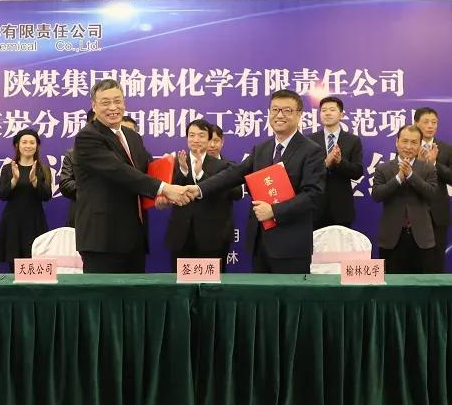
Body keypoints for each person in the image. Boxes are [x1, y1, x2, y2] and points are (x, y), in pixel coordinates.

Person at [191, 89, 325, 274]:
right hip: (260, 243)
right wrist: (198, 189)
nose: (280, 115)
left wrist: (274, 211)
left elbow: (313, 195)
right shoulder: (262, 148)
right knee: (261, 293)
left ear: (299, 114)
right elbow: (234, 173)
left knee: (289, 293)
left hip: (291, 246)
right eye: (275, 110)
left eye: (287, 110)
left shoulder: (312, 150)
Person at [74, 79, 192, 273]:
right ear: (93, 105)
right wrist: (164, 188)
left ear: (124, 102)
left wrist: (160, 196)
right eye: (105, 102)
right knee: (102, 293)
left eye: (117, 101)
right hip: (103, 239)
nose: (113, 107)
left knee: (134, 293)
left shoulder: (133, 137)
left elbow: (145, 172)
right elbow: (119, 171)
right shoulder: (87, 137)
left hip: (134, 237)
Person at [162, 119, 239, 268]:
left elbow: (224, 193)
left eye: (201, 135)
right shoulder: (174, 162)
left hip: (212, 238)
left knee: (209, 281)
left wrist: (200, 175)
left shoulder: (224, 166)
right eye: (192, 135)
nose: (196, 140)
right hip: (180, 237)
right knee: (181, 281)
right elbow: (169, 192)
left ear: (209, 139)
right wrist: (183, 171)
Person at [372, 125, 439, 273]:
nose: (409, 147)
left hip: (421, 238)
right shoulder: (383, 168)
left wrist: (410, 175)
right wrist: (398, 178)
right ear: (397, 142)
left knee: (422, 284)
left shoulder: (428, 168)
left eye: (414, 142)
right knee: (392, 283)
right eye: (405, 141)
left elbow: (432, 194)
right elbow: (376, 195)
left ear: (420, 145)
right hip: (391, 238)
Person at [0, 128, 53, 264]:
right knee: (14, 262)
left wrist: (34, 181)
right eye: (24, 142)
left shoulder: (43, 169)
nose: (28, 146)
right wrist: (14, 180)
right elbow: (3, 195)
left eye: (32, 142)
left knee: (35, 261)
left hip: (35, 221)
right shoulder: (8, 168)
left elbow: (46, 196)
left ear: (37, 146)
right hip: (13, 221)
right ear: (17, 145)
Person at [414, 107, 452, 272]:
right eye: (426, 122)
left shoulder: (447, 149)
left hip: (438, 214)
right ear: (416, 123)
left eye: (434, 122)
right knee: (414, 261)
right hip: (413, 211)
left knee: (436, 261)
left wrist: (434, 163)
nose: (430, 126)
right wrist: (419, 163)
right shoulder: (409, 146)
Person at [309, 96, 364, 229]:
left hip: (342, 208)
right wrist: (325, 164)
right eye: (324, 110)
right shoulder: (310, 140)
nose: (327, 113)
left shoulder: (353, 140)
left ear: (341, 115)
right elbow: (307, 171)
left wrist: (340, 162)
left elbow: (357, 172)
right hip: (316, 207)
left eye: (332, 110)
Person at [58, 109, 94, 229]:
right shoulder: (73, 154)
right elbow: (65, 184)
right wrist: (92, 188)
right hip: (81, 212)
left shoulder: (118, 151)